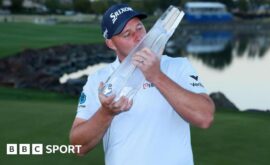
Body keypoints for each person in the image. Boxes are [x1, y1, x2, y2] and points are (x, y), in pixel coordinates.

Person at [69, 4, 215, 165]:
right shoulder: (100, 80)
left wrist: (157, 76)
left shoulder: (177, 66)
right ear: (111, 43)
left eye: (139, 28)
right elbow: (78, 147)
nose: (139, 37)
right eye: (127, 34)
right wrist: (106, 113)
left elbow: (205, 117)